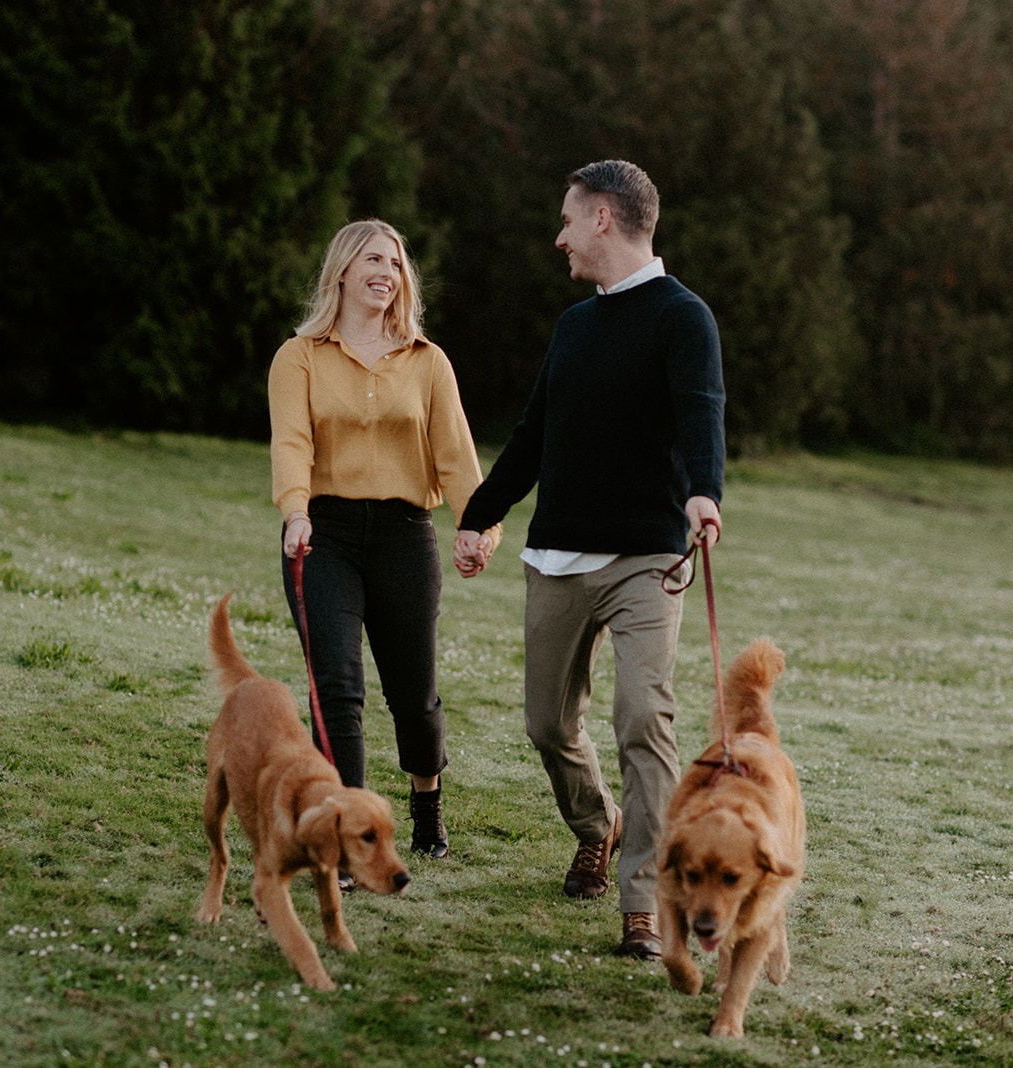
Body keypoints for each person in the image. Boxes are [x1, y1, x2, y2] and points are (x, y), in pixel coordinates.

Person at [454, 160, 726, 959]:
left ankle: (643, 905)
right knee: (547, 722)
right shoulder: (574, 326)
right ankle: (598, 824)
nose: (560, 235)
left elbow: (701, 411)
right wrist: (479, 513)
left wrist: (704, 492)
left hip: (646, 557)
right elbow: (535, 432)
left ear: (604, 219)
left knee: (644, 718)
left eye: (569, 219)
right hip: (556, 557)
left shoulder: (684, 318)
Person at [268, 219, 501, 872]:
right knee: (336, 689)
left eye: (396, 264)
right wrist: (294, 512)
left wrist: (479, 526)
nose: (387, 272)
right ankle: (345, 831)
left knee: (414, 697)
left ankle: (426, 802)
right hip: (324, 536)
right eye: (373, 259)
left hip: (404, 539)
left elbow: (456, 457)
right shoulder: (300, 356)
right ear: (341, 269)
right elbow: (291, 441)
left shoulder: (426, 360)